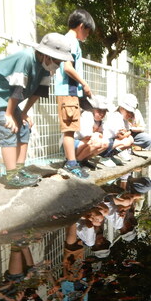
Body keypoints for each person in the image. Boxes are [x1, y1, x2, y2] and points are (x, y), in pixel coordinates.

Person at [0, 33, 72, 188]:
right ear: (47, 55)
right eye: (58, 61)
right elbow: (18, 89)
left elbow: (38, 92)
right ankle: (12, 176)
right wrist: (8, 114)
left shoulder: (46, 67)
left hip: (7, 98)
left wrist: (24, 113)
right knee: (8, 129)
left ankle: (19, 169)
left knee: (24, 126)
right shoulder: (26, 57)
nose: (58, 66)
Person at [54, 9, 95, 179]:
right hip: (68, 91)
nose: (87, 35)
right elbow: (68, 67)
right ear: (81, 26)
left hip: (71, 92)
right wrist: (84, 84)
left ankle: (72, 162)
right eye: (87, 31)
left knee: (71, 128)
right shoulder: (70, 41)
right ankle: (71, 164)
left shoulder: (70, 41)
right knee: (69, 129)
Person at [75, 95, 110, 169]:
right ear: (92, 109)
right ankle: (76, 163)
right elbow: (86, 135)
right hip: (73, 144)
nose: (102, 114)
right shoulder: (87, 114)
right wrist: (96, 134)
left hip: (82, 144)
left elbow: (102, 134)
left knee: (105, 144)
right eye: (99, 110)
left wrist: (97, 134)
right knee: (97, 142)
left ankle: (83, 160)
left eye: (104, 111)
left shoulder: (99, 122)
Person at [101, 94, 136, 165]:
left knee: (130, 139)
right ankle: (104, 156)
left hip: (111, 142)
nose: (130, 114)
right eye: (128, 111)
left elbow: (125, 132)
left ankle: (110, 155)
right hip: (104, 143)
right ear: (122, 108)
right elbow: (121, 136)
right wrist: (129, 132)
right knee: (128, 140)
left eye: (131, 112)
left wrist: (128, 132)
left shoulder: (124, 118)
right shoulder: (117, 117)